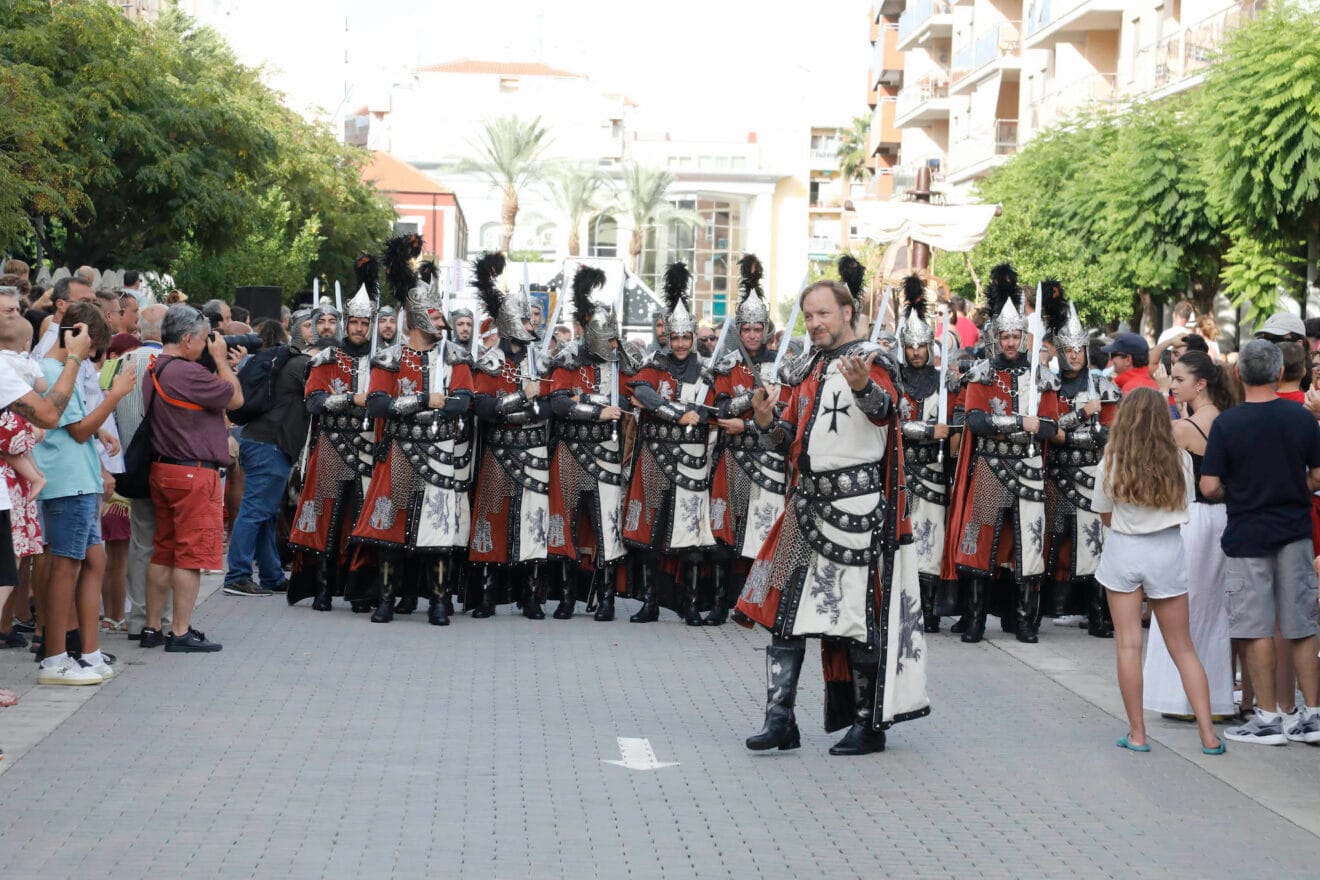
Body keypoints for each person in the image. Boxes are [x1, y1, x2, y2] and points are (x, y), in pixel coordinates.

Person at [736, 257, 929, 756]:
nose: (816, 322)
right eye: (809, 316)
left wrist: (863, 387)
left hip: (857, 509)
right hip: (805, 508)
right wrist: (762, 423)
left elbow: (887, 414)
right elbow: (788, 441)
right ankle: (780, 719)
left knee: (854, 618)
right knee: (782, 614)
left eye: (823, 313)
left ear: (846, 311)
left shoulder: (874, 360)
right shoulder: (806, 369)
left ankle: (868, 725)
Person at [350, 234, 475, 625]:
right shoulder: (389, 358)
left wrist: (435, 406)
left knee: (438, 535)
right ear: (417, 316)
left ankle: (438, 603)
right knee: (390, 533)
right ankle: (386, 601)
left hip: (440, 452)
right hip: (400, 452)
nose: (441, 320)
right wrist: (424, 402)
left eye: (440, 314)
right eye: (435, 315)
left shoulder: (454, 357)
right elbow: (376, 404)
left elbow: (463, 401)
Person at [1200, 339, 1320, 745]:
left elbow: (1210, 484)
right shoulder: (1301, 419)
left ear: (1239, 374)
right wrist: (1296, 485)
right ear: (1279, 373)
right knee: (1302, 625)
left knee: (1256, 628)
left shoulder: (1228, 424)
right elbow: (1318, 476)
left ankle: (1268, 717)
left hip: (1249, 531)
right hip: (1295, 530)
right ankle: (1311, 716)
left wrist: (1240, 490)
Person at [1092, 387, 1224, 754]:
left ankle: (1137, 734)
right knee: (1183, 646)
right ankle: (1208, 736)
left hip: (1123, 549)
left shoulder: (1112, 459)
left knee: (1129, 645)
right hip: (1166, 550)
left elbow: (1104, 513)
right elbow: (1187, 503)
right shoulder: (1179, 458)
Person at [946, 264, 1061, 644]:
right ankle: (976, 619)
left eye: (1016, 336)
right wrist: (1018, 422)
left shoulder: (1040, 377)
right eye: (1005, 336)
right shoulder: (982, 374)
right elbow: (976, 422)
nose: (1011, 343)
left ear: (1024, 337)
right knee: (981, 545)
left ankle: (1025, 621)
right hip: (992, 466)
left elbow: (1050, 426)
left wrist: (1033, 425)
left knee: (1029, 544)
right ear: (996, 337)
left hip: (1028, 468)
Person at [33, 303, 136, 684]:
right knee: (67, 565)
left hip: (79, 480)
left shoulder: (60, 370)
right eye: (93, 349)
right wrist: (115, 394)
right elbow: (73, 429)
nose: (93, 359)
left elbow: (75, 425)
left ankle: (87, 653)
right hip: (68, 482)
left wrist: (98, 430)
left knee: (92, 561)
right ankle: (55, 656)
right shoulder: (54, 370)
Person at [140, 305, 245, 654]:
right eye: (202, 340)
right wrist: (221, 360)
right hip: (192, 473)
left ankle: (153, 626)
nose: (205, 345)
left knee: (164, 550)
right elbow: (237, 399)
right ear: (187, 339)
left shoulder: (156, 367)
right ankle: (180, 631)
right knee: (191, 555)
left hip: (163, 468)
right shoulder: (188, 373)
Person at [1143, 351, 1238, 719]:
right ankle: (1216, 697)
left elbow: (1155, 446)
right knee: (1216, 609)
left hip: (1194, 519)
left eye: (1180, 379)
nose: (1174, 384)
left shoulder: (1184, 428)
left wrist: (1162, 394)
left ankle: (1181, 699)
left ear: (1200, 384)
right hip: (1224, 517)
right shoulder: (1225, 420)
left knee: (1182, 608)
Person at [621, 262, 717, 624]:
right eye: (674, 337)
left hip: (692, 458)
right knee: (650, 533)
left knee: (690, 535)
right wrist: (677, 413)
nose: (679, 343)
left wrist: (701, 415)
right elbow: (641, 391)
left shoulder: (707, 369)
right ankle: (650, 603)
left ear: (692, 337)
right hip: (654, 453)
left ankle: (690, 605)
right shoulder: (654, 362)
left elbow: (717, 407)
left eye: (684, 338)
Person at [287, 264, 380, 613]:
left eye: (364, 323)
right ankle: (322, 588)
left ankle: (359, 591)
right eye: (354, 323)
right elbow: (313, 401)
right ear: (346, 324)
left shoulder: (381, 360)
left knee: (361, 519)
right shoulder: (326, 358)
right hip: (331, 446)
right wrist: (351, 400)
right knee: (326, 517)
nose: (359, 329)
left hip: (369, 446)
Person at [467, 252, 552, 620]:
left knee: (533, 522)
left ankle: (531, 595)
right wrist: (521, 397)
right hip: (499, 451)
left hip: (533, 448)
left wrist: (532, 406)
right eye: (520, 318)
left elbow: (555, 405)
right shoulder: (489, 361)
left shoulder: (543, 361)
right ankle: (487, 595)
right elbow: (483, 407)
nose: (527, 324)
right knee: (492, 519)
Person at [545, 265, 630, 621]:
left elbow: (630, 399)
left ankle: (607, 598)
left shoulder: (619, 364)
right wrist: (596, 409)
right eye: (606, 336)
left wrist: (617, 408)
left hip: (607, 454)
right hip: (571, 450)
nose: (611, 343)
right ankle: (566, 598)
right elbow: (558, 401)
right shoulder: (567, 359)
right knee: (565, 523)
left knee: (606, 525)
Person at [707, 255, 784, 627]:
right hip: (732, 458)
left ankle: (756, 605)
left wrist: (749, 424)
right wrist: (749, 404)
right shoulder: (726, 365)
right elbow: (719, 408)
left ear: (766, 329)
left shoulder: (784, 364)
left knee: (764, 534)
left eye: (758, 328)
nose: (753, 334)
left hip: (768, 457)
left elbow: (786, 417)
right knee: (726, 535)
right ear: (739, 330)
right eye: (747, 329)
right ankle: (721, 603)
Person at [1040, 284, 1120, 638]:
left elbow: (1110, 433)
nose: (1074, 355)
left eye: (1079, 350)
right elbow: (1048, 429)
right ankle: (1046, 610)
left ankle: (1098, 616)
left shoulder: (1103, 385)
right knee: (1050, 542)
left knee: (1094, 546)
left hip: (1091, 473)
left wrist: (1070, 430)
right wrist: (1078, 417)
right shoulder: (1049, 386)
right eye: (1068, 350)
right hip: (1055, 473)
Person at [221, 320, 307, 597]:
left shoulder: (285, 361)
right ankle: (237, 575)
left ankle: (270, 575)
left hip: (264, 443)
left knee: (266, 514)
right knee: (256, 511)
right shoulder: (300, 365)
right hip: (269, 445)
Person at [893, 274, 953, 633]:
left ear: (930, 345)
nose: (916, 352)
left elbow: (958, 429)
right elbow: (892, 427)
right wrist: (930, 431)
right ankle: (900, 606)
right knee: (900, 542)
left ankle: (930, 611)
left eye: (921, 346)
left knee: (931, 541)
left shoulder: (944, 381)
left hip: (932, 471)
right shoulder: (894, 379)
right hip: (901, 471)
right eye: (911, 346)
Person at [113, 304, 169, 639]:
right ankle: (164, 616)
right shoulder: (173, 366)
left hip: (129, 464)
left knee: (141, 541)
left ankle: (138, 616)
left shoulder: (119, 364)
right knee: (169, 541)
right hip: (167, 463)